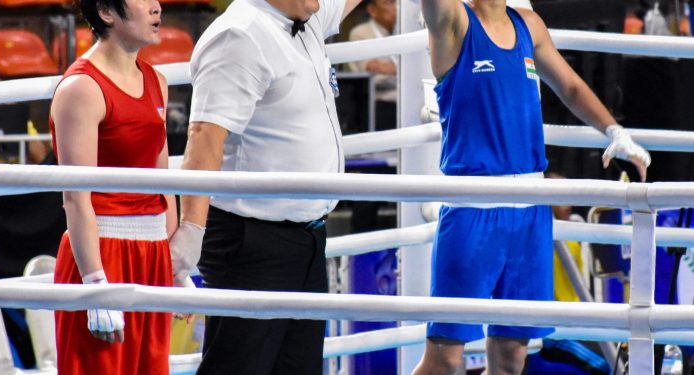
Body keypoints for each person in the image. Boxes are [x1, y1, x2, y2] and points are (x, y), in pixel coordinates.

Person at [412, 0, 651, 374]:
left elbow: (570, 86)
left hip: (530, 211)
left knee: (512, 355)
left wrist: (614, 132)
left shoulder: (529, 25)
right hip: (474, 209)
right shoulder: (453, 21)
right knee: (444, 358)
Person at [169, 0, 362, 372]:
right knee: (240, 366)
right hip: (252, 241)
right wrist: (191, 231)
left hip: (305, 238)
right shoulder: (240, 34)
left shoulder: (306, 16)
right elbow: (205, 136)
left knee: (298, 368)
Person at [48, 0, 187, 373]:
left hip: (153, 252)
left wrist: (176, 266)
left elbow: (161, 179)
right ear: (107, 12)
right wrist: (95, 284)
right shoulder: (82, 88)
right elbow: (76, 199)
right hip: (102, 252)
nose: (157, 7)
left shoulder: (157, 80)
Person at [348, 0, 397, 131]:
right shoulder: (361, 33)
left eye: (397, 2)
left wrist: (388, 68)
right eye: (389, 3)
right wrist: (404, 71)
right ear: (372, 10)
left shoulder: (405, 32)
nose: (396, 8)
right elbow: (374, 73)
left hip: (406, 102)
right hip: (379, 105)